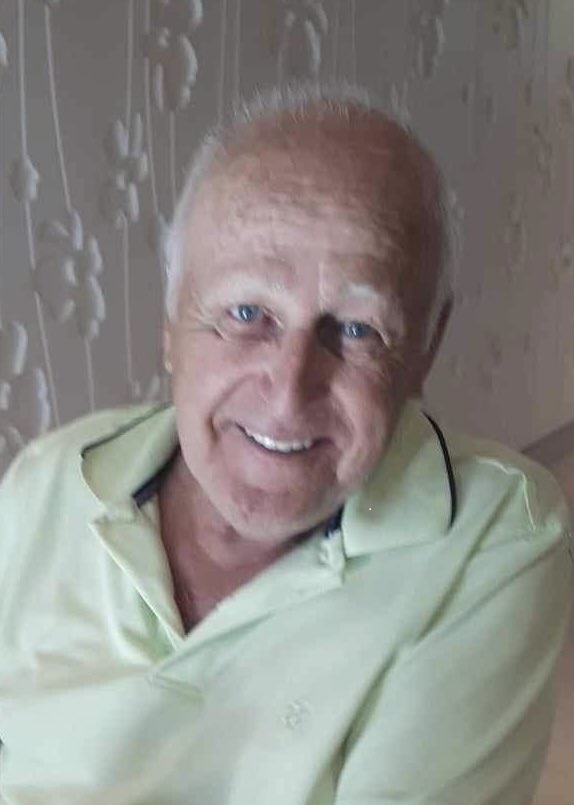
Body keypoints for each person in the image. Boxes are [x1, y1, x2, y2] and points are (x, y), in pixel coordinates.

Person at [0, 85, 571, 805]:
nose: (289, 391)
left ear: (426, 346)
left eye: (357, 329)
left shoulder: (495, 534)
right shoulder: (50, 477)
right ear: (171, 324)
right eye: (247, 312)